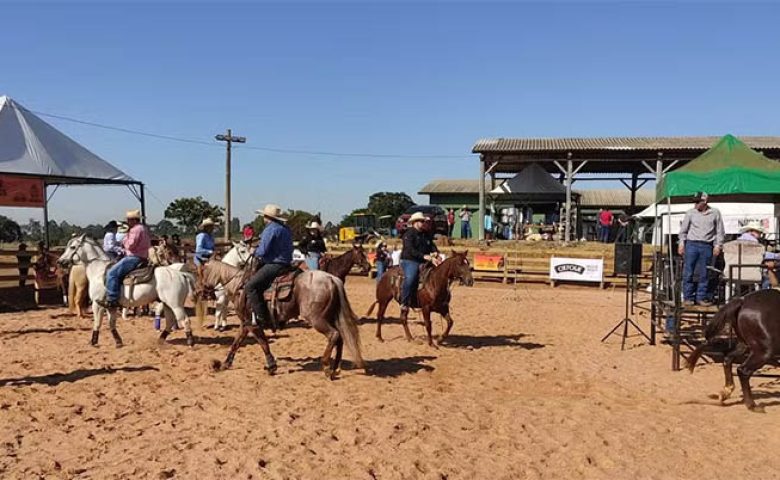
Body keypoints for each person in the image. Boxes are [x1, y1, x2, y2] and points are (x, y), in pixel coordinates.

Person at [246, 204, 293, 330]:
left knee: (250, 286)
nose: (263, 218)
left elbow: (262, 252)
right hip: (287, 263)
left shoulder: (270, 229)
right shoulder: (285, 228)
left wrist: (252, 251)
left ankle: (262, 319)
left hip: (275, 264)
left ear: (267, 217)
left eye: (264, 216)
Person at [678, 192, 725, 307]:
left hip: (707, 245)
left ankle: (701, 297)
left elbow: (720, 231)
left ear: (704, 202)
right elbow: (683, 230)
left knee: (705, 273)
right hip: (691, 244)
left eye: (697, 202)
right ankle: (688, 297)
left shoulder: (715, 213)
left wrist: (718, 245)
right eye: (694, 201)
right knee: (688, 271)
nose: (695, 204)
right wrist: (681, 243)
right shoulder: (690, 213)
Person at [99, 209, 151, 309]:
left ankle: (112, 299)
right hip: (143, 256)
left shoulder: (135, 230)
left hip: (133, 257)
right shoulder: (144, 228)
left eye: (129, 220)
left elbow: (130, 245)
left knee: (112, 273)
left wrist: (125, 240)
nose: (128, 222)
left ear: (134, 220)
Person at [400, 212, 442, 314]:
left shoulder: (425, 234)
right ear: (415, 222)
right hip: (410, 260)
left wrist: (436, 253)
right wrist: (424, 256)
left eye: (424, 221)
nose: (423, 223)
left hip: (424, 260)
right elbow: (410, 250)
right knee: (411, 278)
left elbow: (431, 245)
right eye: (421, 221)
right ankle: (404, 302)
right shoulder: (408, 234)